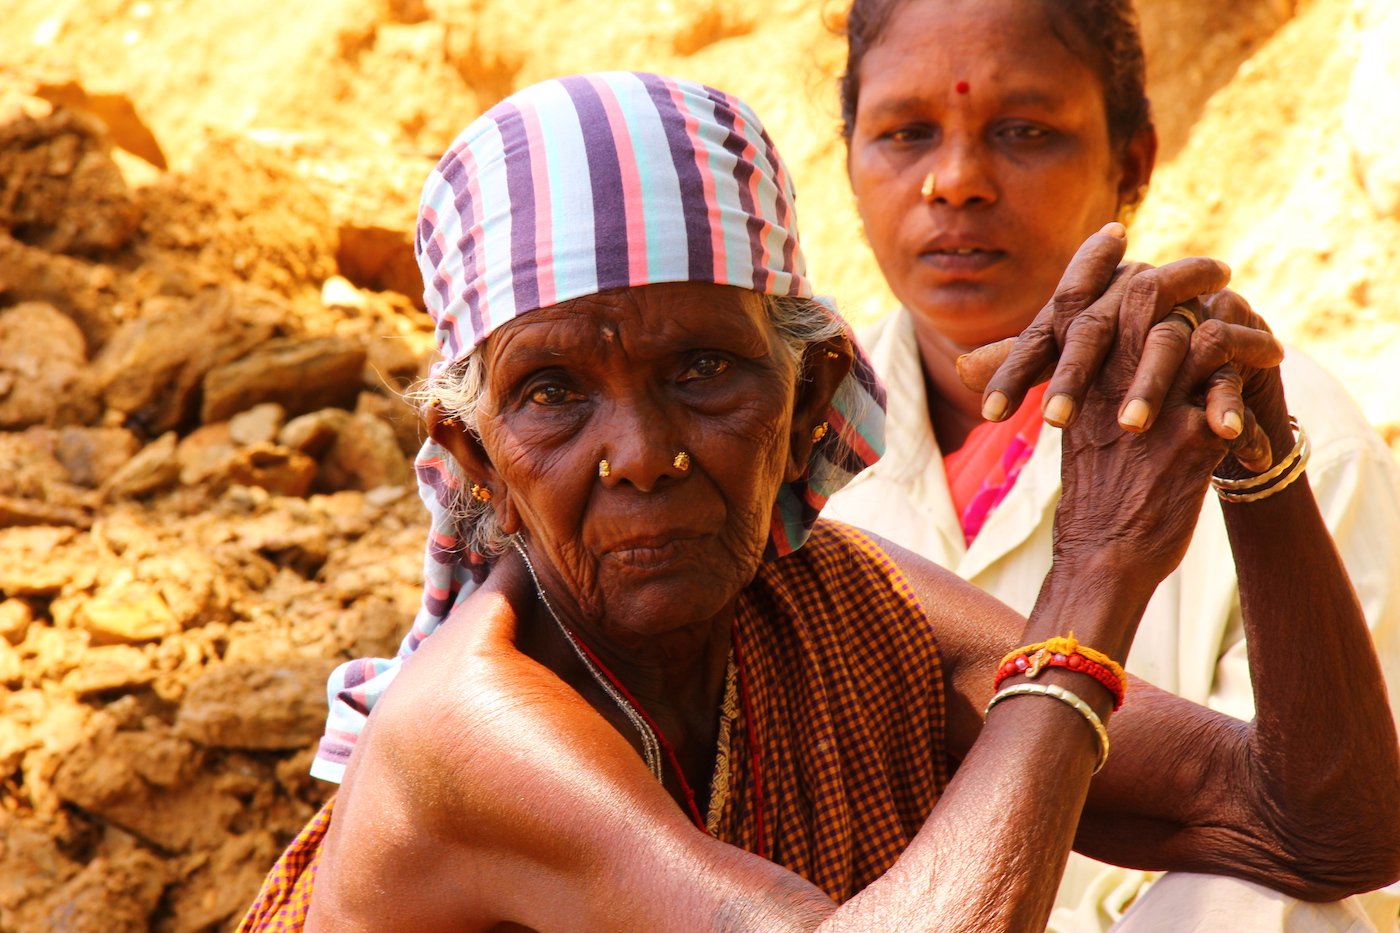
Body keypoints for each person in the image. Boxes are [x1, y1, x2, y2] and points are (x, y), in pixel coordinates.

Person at [238, 72, 1400, 932]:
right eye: (551, 392)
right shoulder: (467, 727)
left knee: (1254, 911)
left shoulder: (840, 610)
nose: (641, 454)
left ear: (808, 401)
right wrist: (1092, 578)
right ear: (476, 460)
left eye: (702, 370)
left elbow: (1324, 829)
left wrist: (1251, 447)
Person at [819, 0, 1400, 927]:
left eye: (1024, 131)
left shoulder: (1283, 439)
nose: (957, 181)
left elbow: (1335, 841)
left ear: (1130, 159)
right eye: (906, 132)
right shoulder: (783, 449)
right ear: (848, 156)